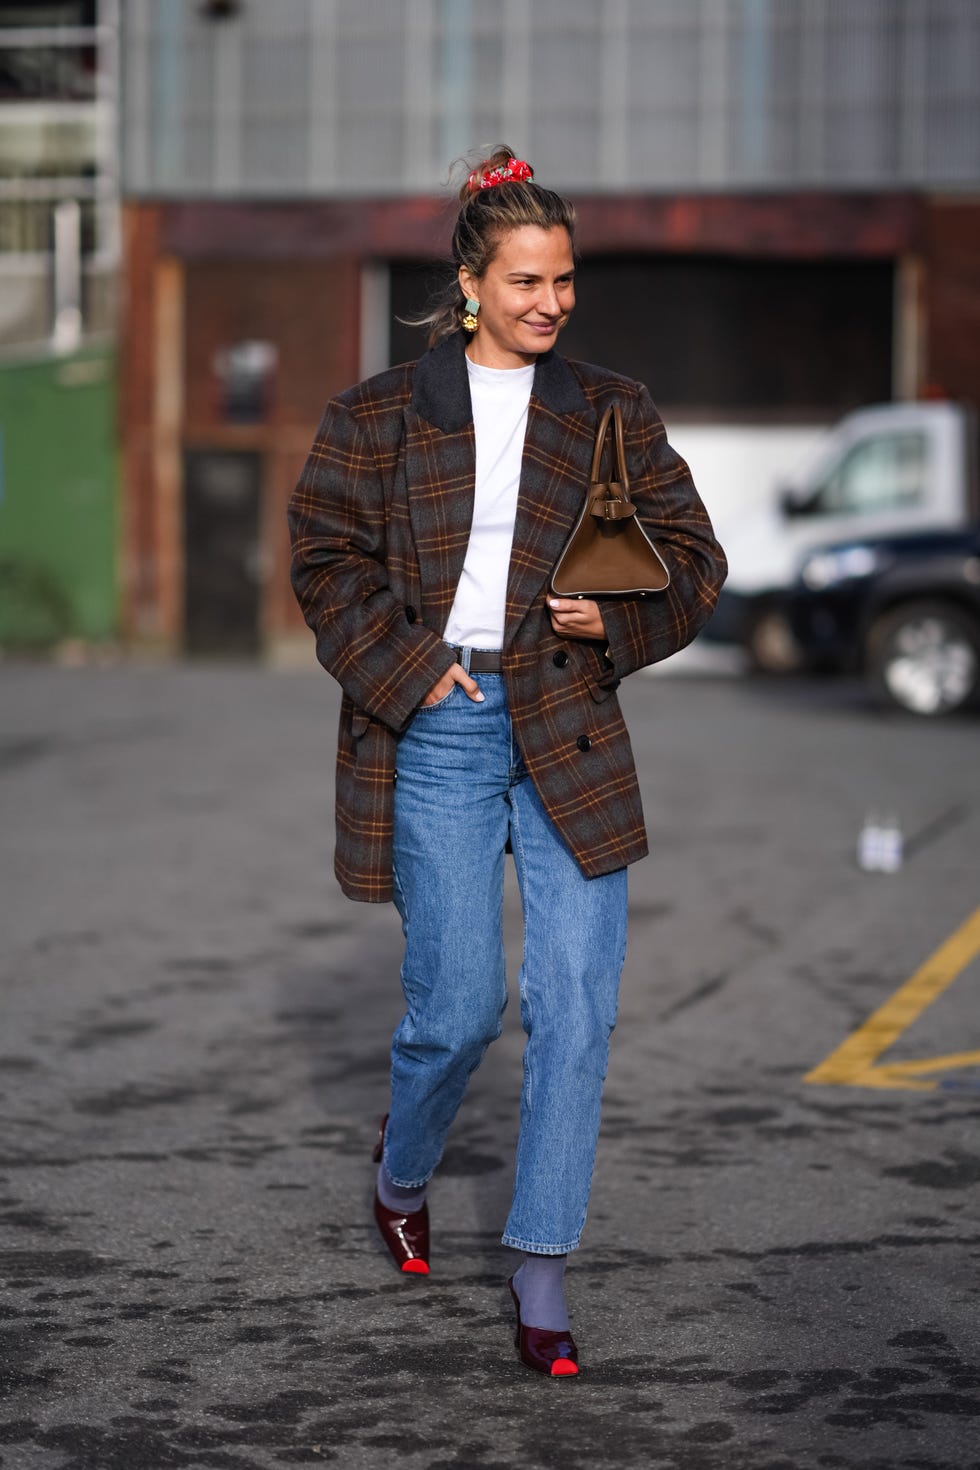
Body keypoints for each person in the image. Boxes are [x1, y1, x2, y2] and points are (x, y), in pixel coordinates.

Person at [288, 146, 727, 1377]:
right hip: (441, 716)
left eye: (566, 279)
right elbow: (323, 562)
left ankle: (540, 1271)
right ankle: (402, 1170)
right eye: (526, 280)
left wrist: (618, 621)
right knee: (459, 1009)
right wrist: (411, 665)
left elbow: (691, 557)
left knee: (577, 1005)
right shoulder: (376, 414)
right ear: (470, 283)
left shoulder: (610, 409)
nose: (551, 301)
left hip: (571, 713)